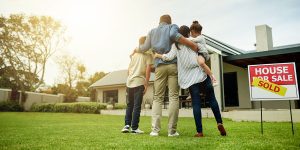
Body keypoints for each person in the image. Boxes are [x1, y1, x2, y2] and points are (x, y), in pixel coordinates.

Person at [154, 23, 227, 137]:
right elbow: (203, 51)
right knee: (212, 99)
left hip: (190, 80)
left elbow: (168, 57)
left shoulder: (176, 45)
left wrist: (158, 55)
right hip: (201, 75)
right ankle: (219, 122)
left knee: (196, 104)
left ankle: (199, 131)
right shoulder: (193, 41)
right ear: (189, 33)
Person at [135, 14, 199, 137]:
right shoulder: (172, 27)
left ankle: (155, 130)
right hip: (173, 66)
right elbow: (174, 35)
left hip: (159, 66)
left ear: (159, 22)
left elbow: (143, 48)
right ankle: (172, 131)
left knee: (158, 98)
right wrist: (191, 44)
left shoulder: (152, 32)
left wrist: (136, 49)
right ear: (169, 22)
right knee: (173, 97)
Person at [121, 36, 153, 134]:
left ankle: (126, 126)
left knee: (129, 105)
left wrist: (129, 79)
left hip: (129, 82)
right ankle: (134, 128)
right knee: (136, 106)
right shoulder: (148, 56)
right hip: (139, 83)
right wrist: (146, 84)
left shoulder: (134, 55)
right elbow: (148, 70)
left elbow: (128, 70)